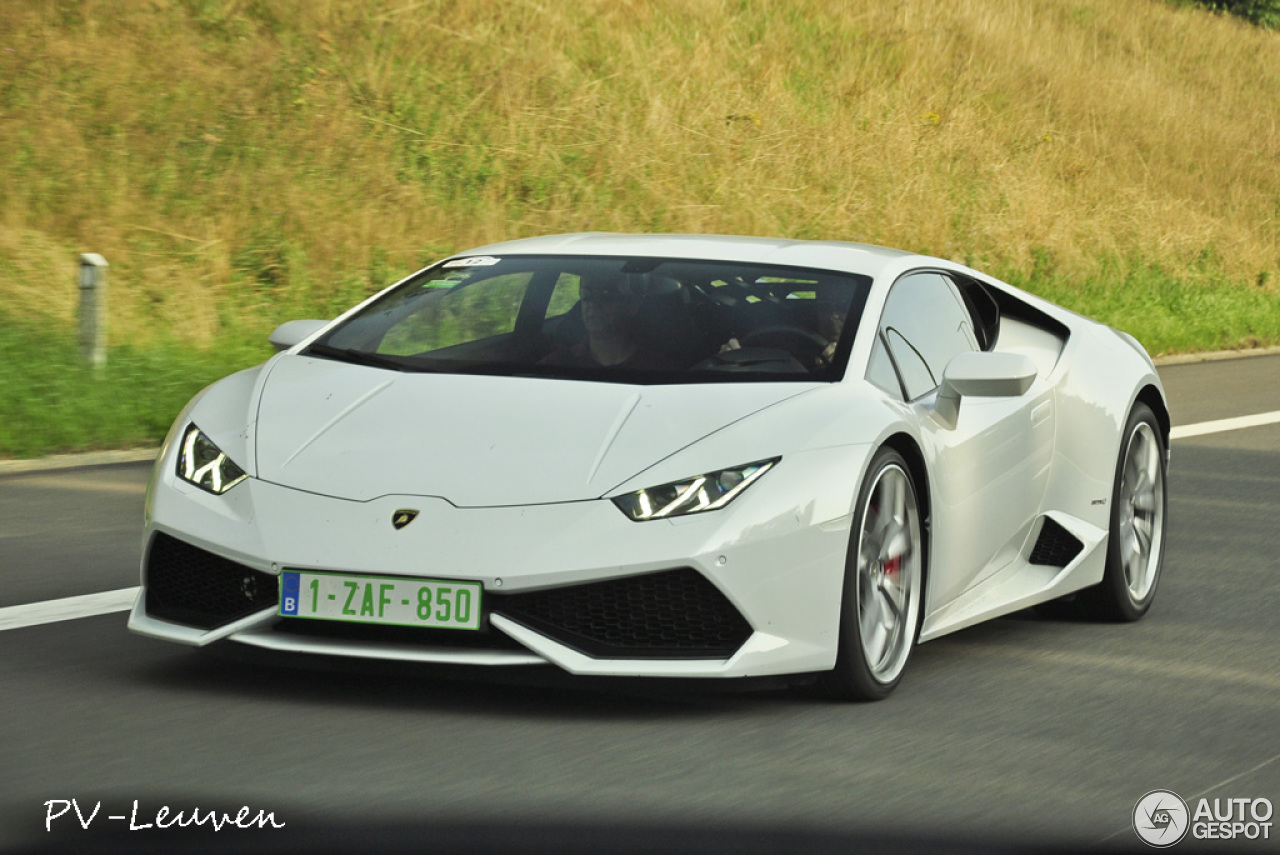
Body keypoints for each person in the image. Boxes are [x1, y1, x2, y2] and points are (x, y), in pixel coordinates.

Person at [540, 273, 682, 370]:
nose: (593, 303)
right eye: (586, 295)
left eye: (606, 295)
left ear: (632, 306)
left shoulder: (657, 368)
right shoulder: (558, 364)